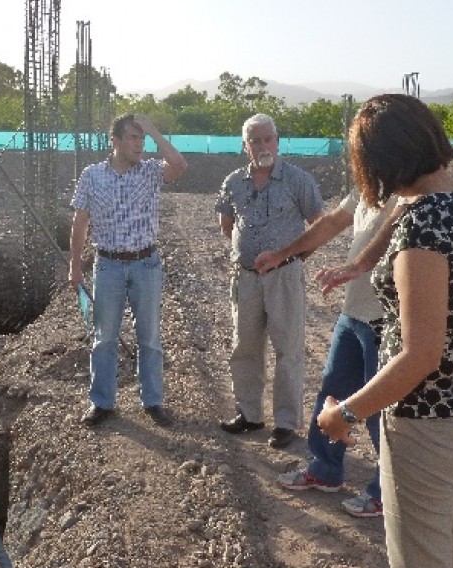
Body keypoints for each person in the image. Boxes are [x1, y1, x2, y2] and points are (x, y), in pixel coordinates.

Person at [317, 94, 453, 568]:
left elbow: (422, 353)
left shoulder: (423, 226)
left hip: (431, 426)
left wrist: (347, 413)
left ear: (382, 161)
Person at [257, 188, 398, 517]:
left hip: (385, 318)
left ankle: (385, 490)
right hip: (353, 314)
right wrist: (283, 254)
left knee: (378, 408)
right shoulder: (368, 186)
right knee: (331, 392)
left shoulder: (407, 191)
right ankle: (324, 469)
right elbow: (332, 222)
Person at [69, 113, 187, 428]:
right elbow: (80, 221)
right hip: (107, 265)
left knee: (149, 337)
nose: (140, 144)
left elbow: (179, 165)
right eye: (133, 137)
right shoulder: (92, 176)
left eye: (142, 138)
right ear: (115, 141)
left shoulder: (150, 172)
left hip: (146, 264)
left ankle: (152, 401)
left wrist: (154, 128)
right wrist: (75, 266)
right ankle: (102, 402)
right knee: (104, 337)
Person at [216, 113, 323, 449]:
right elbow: (226, 223)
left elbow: (320, 224)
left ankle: (286, 422)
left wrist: (295, 258)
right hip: (245, 278)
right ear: (245, 146)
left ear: (277, 142)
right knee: (244, 347)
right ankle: (249, 414)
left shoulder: (298, 181)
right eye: (255, 141)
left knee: (288, 349)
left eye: (267, 139)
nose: (262, 146)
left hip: (284, 278)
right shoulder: (234, 181)